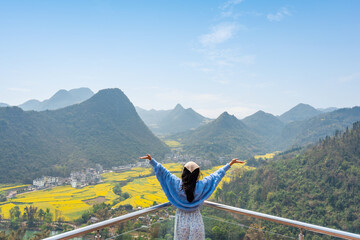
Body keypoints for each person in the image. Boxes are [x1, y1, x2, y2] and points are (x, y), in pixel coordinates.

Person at [139, 154, 244, 240]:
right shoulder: (201, 186)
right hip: (196, 220)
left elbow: (164, 173)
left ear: (184, 172)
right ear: (197, 174)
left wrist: (152, 160)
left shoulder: (177, 185)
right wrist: (230, 164)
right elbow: (215, 176)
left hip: (181, 220)